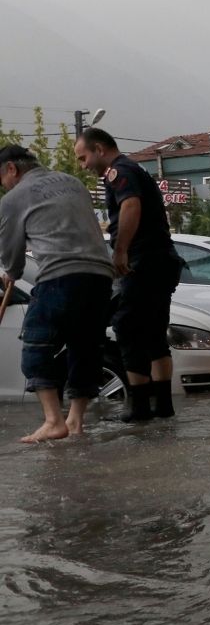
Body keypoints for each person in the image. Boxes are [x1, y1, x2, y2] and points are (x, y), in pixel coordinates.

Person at [0, 145, 115, 442]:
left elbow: (11, 252)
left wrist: (11, 273)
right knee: (85, 348)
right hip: (101, 276)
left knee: (35, 346)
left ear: (11, 169)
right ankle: (75, 422)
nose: (3, 184)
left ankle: (53, 420)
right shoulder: (72, 182)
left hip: (62, 275)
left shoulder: (13, 198)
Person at [74, 128, 183, 422]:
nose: (83, 165)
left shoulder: (119, 171)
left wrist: (120, 250)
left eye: (83, 158)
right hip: (163, 261)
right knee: (153, 333)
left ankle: (139, 406)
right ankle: (162, 405)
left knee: (127, 326)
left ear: (99, 149)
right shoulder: (135, 168)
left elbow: (131, 205)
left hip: (143, 262)